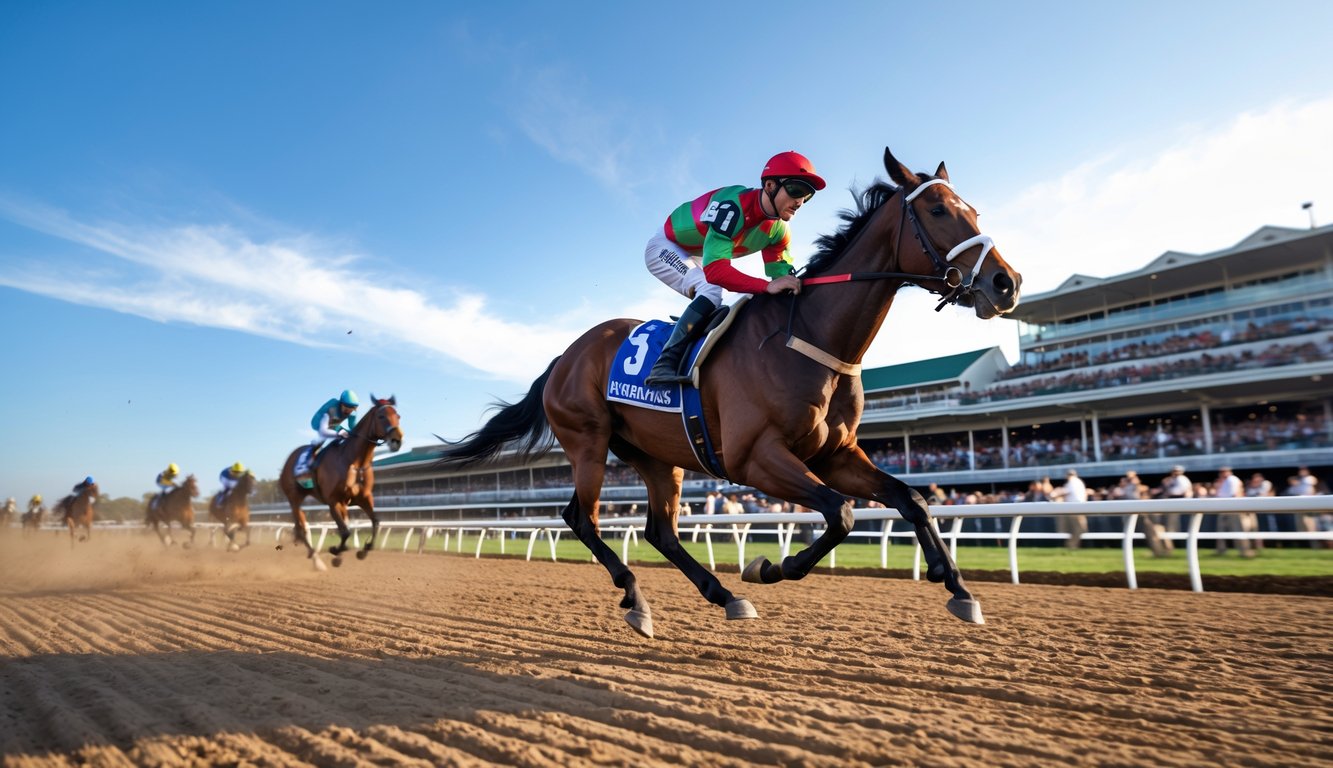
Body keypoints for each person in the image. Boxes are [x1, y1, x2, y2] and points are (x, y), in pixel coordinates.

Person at [643, 151, 825, 385]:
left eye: (807, 195)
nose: (800, 201)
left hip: (699, 252)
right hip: (666, 246)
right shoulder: (733, 207)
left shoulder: (779, 231)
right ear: (770, 185)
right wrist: (766, 286)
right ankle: (663, 364)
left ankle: (695, 328)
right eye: (796, 190)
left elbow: (781, 278)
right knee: (711, 290)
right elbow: (716, 272)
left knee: (735, 298)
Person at [295, 389, 360, 484]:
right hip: (320, 424)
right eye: (346, 408)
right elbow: (323, 431)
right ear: (341, 404)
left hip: (334, 425)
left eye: (351, 409)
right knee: (320, 440)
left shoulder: (352, 412)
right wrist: (338, 434)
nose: (348, 412)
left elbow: (353, 428)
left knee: (348, 436)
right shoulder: (332, 409)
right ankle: (302, 467)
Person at [1211, 466, 1254, 557]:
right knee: (1221, 531)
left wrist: (1232, 507)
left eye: (1224, 472)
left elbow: (1234, 494)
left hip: (1232, 508)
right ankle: (1221, 551)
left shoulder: (1232, 479)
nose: (1221, 474)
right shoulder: (1224, 482)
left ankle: (1244, 551)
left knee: (1238, 530)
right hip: (1224, 508)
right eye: (1221, 472)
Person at [1050, 468, 1088, 549]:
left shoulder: (1073, 482)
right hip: (1076, 509)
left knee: (1078, 529)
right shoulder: (1077, 482)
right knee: (1075, 529)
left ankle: (1072, 545)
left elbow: (1063, 492)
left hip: (1075, 509)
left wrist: (1053, 494)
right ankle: (1072, 545)